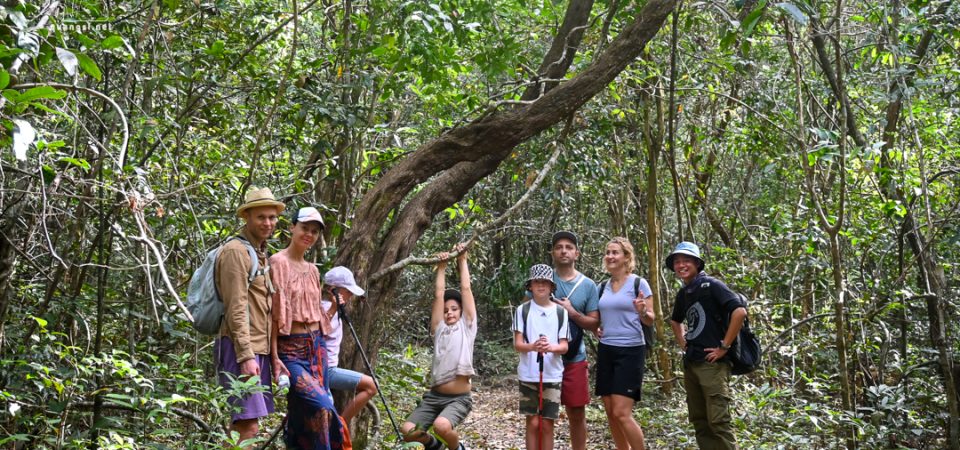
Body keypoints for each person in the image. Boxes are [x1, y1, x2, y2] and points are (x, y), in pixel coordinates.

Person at [270, 207, 351, 449]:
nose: (309, 234)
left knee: (310, 414)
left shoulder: (313, 270)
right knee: (322, 405)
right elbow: (274, 315)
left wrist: (334, 309)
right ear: (292, 227)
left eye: (314, 231)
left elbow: (315, 315)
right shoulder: (278, 262)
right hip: (291, 352)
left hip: (317, 348)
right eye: (305, 228)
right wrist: (274, 357)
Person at [214, 187, 283, 446]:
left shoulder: (259, 253)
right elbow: (236, 307)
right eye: (261, 217)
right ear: (247, 217)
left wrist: (272, 357)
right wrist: (245, 356)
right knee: (248, 425)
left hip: (258, 349)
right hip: (240, 348)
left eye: (272, 217)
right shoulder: (235, 251)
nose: (268, 223)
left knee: (243, 426)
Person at [667, 242, 745, 450]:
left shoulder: (712, 285)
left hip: (713, 364)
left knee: (719, 421)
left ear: (697, 263)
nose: (681, 265)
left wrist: (724, 346)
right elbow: (675, 321)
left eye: (686, 261)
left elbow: (739, 312)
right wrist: (683, 343)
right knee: (700, 421)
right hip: (692, 363)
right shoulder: (684, 294)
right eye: (677, 262)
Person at [401, 244, 476, 450]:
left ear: (461, 312)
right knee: (408, 430)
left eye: (454, 309)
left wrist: (462, 260)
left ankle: (457, 448)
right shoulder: (439, 329)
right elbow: (438, 295)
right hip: (433, 397)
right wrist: (441, 267)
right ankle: (436, 447)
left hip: (459, 398)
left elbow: (466, 289)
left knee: (442, 426)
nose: (449, 313)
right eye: (446, 310)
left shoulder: (467, 328)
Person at [596, 237, 653, 450]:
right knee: (610, 412)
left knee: (622, 412)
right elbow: (598, 318)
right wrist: (597, 328)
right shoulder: (602, 286)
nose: (610, 256)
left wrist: (642, 311)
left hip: (630, 350)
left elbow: (650, 319)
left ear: (626, 257)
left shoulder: (639, 283)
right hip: (606, 349)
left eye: (615, 252)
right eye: (608, 252)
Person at [544, 231, 600, 450]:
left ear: (577, 253)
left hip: (575, 358)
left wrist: (571, 311)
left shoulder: (588, 285)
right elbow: (527, 312)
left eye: (569, 247)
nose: (564, 250)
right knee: (545, 413)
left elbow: (594, 323)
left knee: (576, 412)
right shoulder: (543, 280)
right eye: (559, 247)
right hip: (546, 358)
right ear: (553, 253)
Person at [514, 264, 569, 450]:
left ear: (551, 286)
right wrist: (533, 346)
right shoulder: (522, 310)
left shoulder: (561, 312)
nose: (541, 286)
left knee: (546, 424)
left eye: (545, 282)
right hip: (528, 373)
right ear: (530, 285)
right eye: (537, 282)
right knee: (533, 422)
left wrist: (550, 347)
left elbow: (564, 346)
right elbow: (518, 344)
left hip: (552, 374)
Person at [321, 266, 378, 426]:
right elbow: (318, 334)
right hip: (325, 370)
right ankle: (341, 425)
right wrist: (333, 307)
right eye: (347, 291)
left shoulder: (332, 310)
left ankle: (340, 425)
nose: (351, 295)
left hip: (328, 369)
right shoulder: (325, 309)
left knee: (371, 386)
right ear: (334, 290)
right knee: (371, 386)